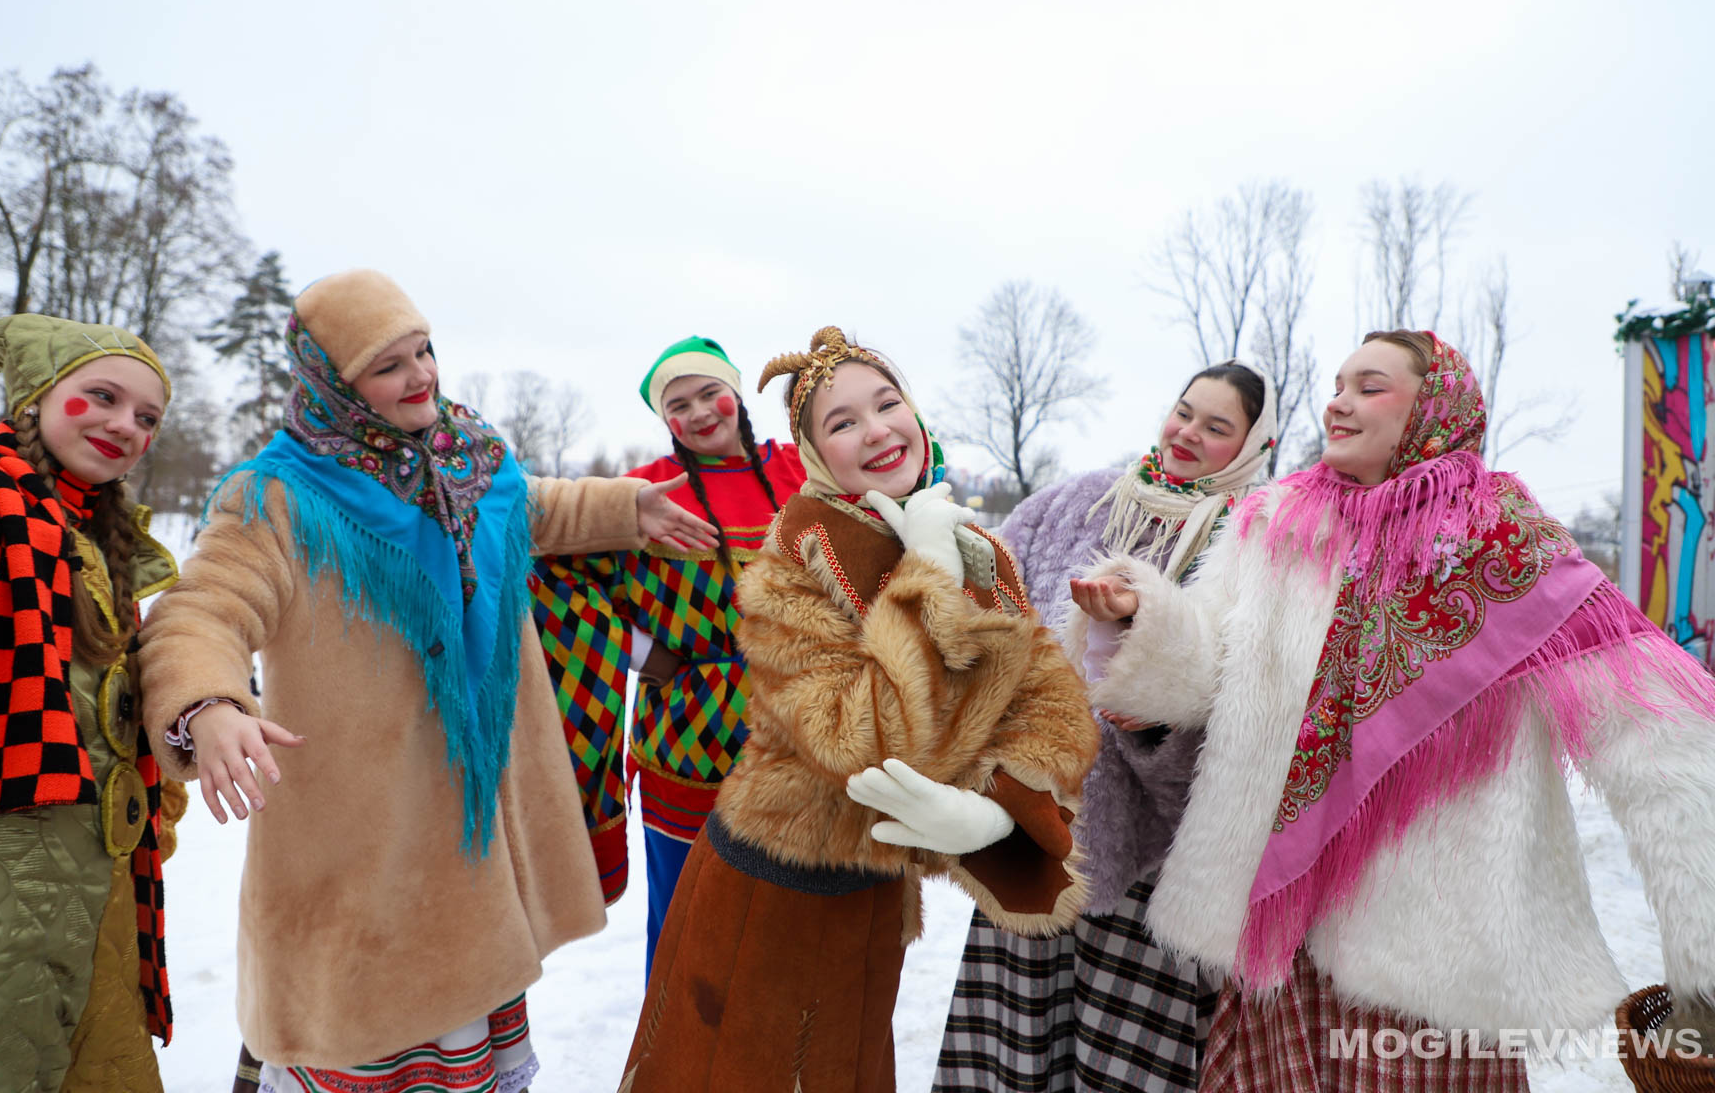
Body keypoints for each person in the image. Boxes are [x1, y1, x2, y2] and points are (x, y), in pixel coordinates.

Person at [1070, 329, 1715, 1091]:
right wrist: (1140, 617)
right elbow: (1204, 666)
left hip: (1431, 964)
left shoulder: (1507, 545)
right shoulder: (1278, 524)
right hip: (1283, 943)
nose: (1338, 402)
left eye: (1368, 386)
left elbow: (1668, 736)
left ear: (1435, 409)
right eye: (1337, 384)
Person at [137, 270, 719, 1093]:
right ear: (333, 383)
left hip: (472, 839)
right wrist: (209, 704)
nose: (420, 377)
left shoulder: (465, 460)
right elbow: (203, 609)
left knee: (468, 1017)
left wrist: (626, 507)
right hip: (371, 852)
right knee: (374, 1036)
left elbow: (529, 508)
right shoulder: (275, 499)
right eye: (388, 365)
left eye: (424, 351)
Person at [617, 327, 1100, 1093]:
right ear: (813, 455)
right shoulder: (792, 567)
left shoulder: (978, 548)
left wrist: (1001, 813)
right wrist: (926, 580)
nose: (876, 430)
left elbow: (1055, 706)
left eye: (887, 402)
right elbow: (855, 742)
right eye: (842, 422)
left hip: (872, 904)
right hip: (765, 897)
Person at [933, 360, 1276, 1093]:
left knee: (1120, 1063)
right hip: (1037, 824)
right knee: (1014, 1050)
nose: (1188, 433)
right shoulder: (1079, 502)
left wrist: (1143, 684)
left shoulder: (1248, 548)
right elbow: (987, 599)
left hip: (1155, 864)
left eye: (1217, 427)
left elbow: (1240, 714)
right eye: (1185, 412)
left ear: (1253, 446)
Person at [531, 335, 805, 979]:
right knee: (694, 940)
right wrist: (638, 650)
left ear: (736, 393)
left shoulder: (804, 470)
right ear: (665, 421)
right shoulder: (646, 491)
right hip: (689, 750)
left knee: (802, 940)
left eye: (711, 392)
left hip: (812, 749)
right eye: (679, 404)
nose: (702, 411)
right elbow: (543, 573)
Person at [0, 314, 186, 1093]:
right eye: (101, 396)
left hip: (98, 886)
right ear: (34, 398)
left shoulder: (102, 539)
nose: (124, 426)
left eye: (147, 417)